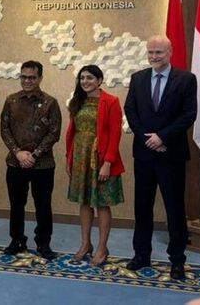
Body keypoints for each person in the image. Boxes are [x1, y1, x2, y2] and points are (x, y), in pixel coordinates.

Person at [123, 35, 197, 280]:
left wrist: (162, 137)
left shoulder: (186, 79)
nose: (154, 57)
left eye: (159, 53)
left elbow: (189, 115)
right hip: (144, 155)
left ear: (170, 52)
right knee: (142, 208)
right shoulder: (138, 78)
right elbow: (131, 111)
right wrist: (149, 139)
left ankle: (177, 260)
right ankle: (141, 254)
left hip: (171, 155)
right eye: (151, 52)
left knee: (175, 209)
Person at [0, 60, 61, 260]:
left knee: (43, 205)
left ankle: (43, 243)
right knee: (16, 204)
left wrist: (34, 155)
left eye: (32, 77)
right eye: (24, 77)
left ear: (40, 78)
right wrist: (18, 152)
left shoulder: (51, 102)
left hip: (42, 164)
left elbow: (54, 133)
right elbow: (5, 129)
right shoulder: (11, 101)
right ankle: (16, 239)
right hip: (15, 162)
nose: (27, 81)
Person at [65, 64, 125, 267]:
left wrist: (107, 163)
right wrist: (69, 159)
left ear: (99, 80)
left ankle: (101, 247)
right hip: (80, 157)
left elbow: (116, 134)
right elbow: (72, 133)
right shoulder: (77, 101)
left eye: (90, 78)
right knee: (84, 202)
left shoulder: (111, 101)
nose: (85, 81)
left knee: (102, 203)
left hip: (102, 159)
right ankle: (85, 244)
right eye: (82, 78)